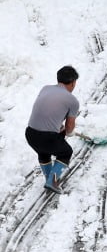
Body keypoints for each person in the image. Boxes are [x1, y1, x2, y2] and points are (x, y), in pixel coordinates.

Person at [25, 65, 80, 193]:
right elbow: (69, 127)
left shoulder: (45, 88)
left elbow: (46, 112)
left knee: (43, 151)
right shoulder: (72, 101)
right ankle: (52, 181)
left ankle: (49, 178)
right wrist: (70, 132)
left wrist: (58, 128)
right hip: (47, 138)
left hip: (30, 134)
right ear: (72, 83)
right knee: (66, 152)